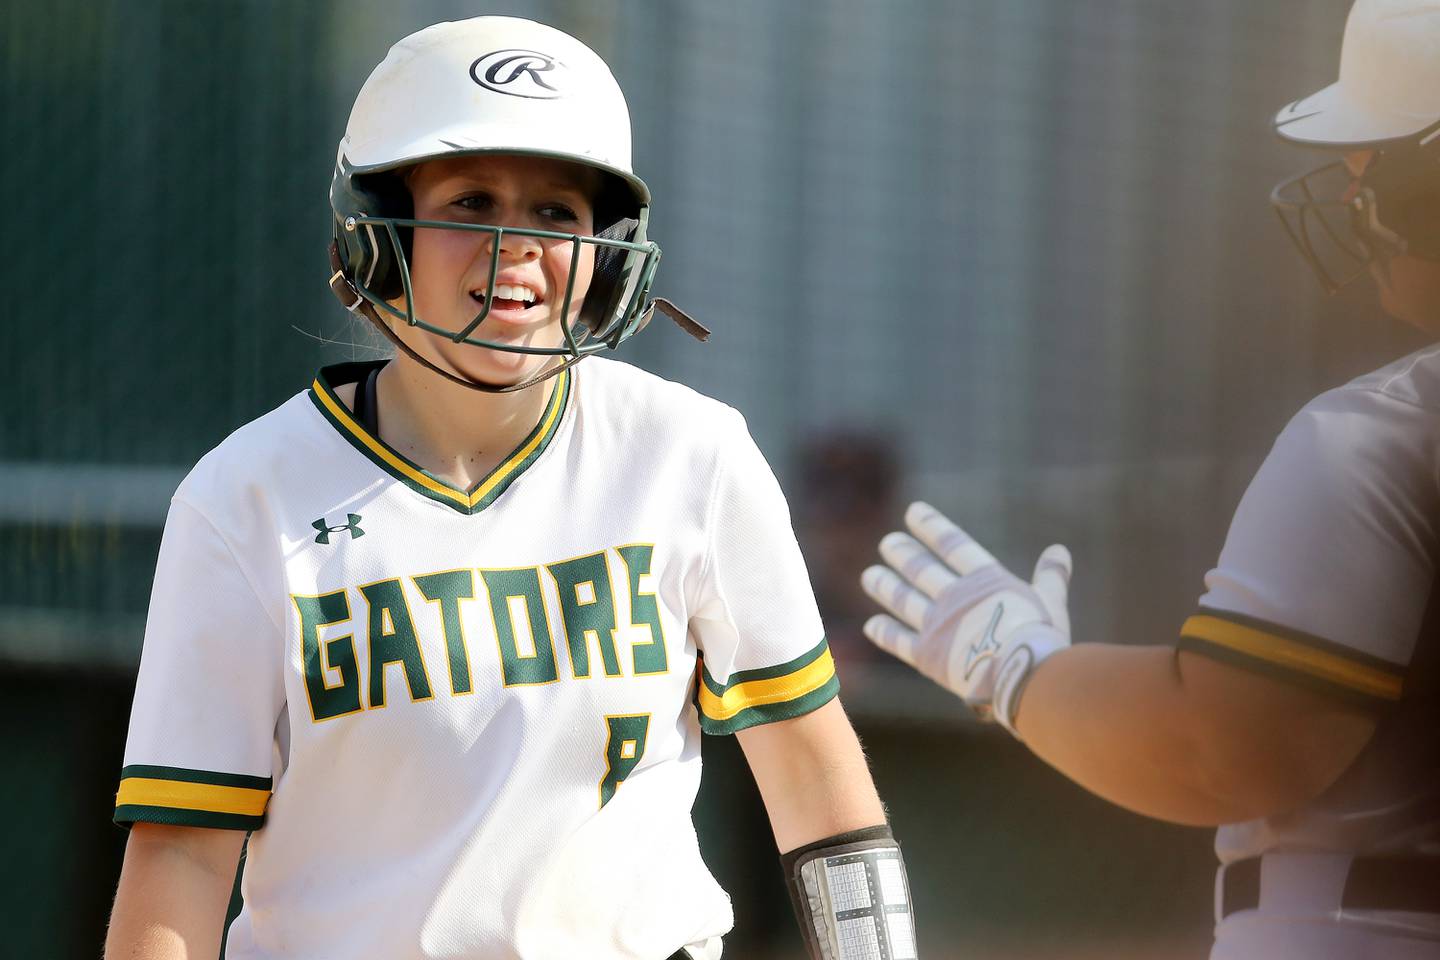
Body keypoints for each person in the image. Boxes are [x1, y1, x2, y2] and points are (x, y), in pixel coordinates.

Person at [104, 17, 916, 960]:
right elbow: (182, 857)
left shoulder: (690, 456)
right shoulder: (242, 501)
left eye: (556, 214)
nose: (515, 244)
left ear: (607, 255)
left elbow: (818, 788)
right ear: (379, 240)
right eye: (469, 200)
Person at [859, 1, 1440, 957]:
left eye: (1374, 161)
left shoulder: (1387, 434)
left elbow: (1228, 748)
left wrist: (1020, 668)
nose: (1348, 186)